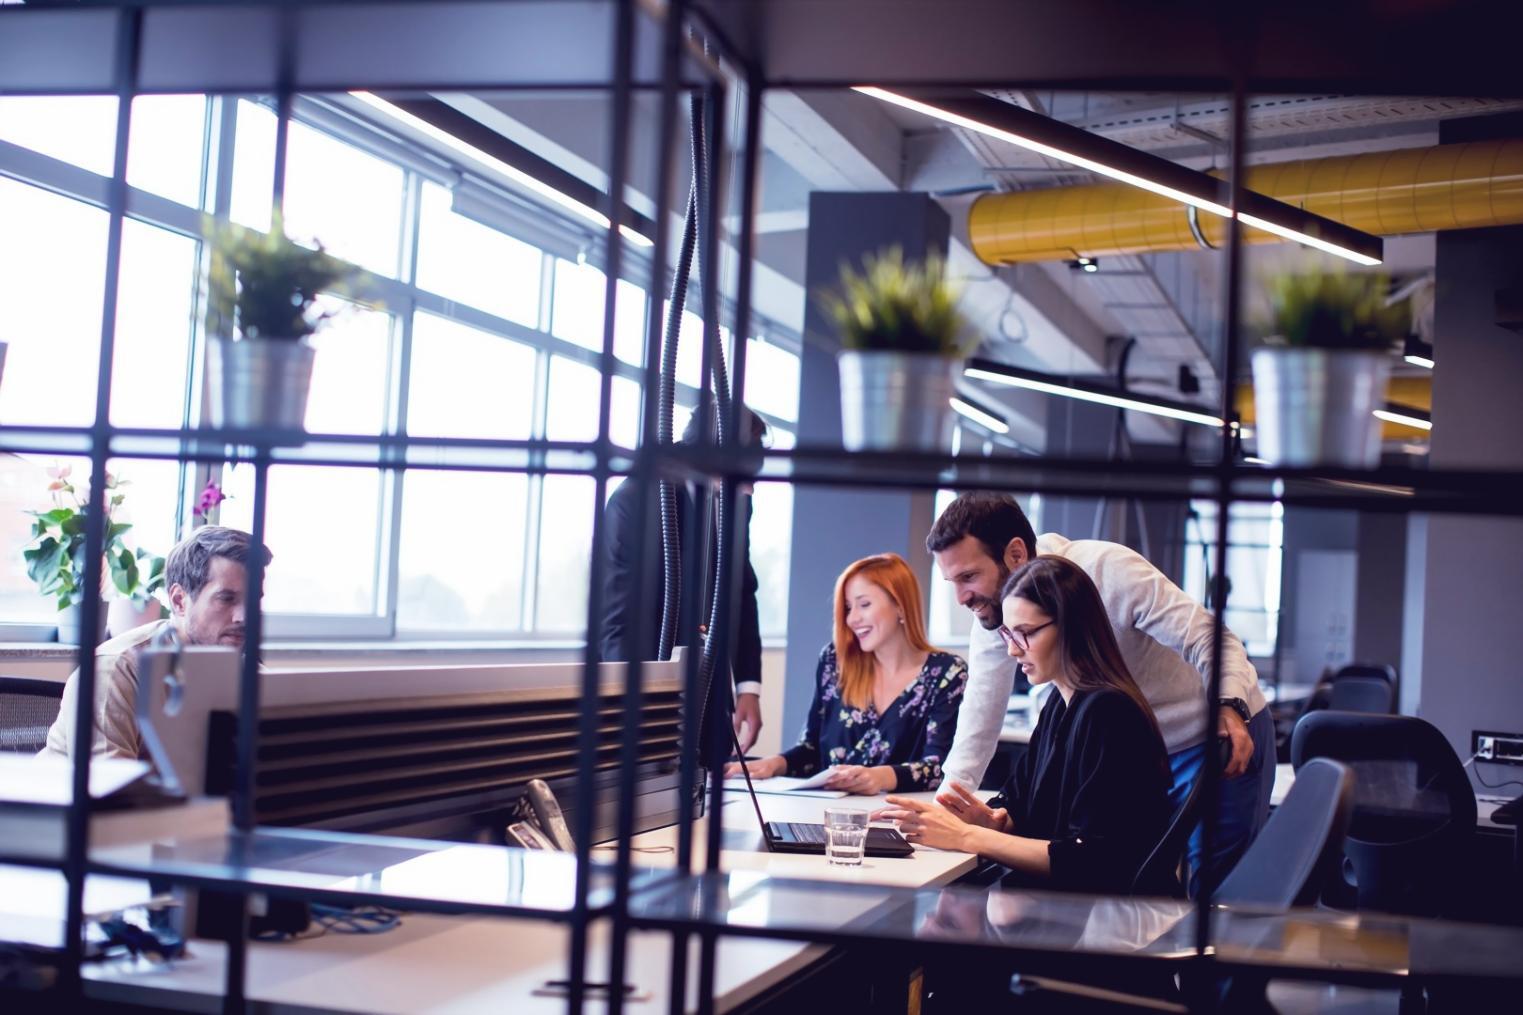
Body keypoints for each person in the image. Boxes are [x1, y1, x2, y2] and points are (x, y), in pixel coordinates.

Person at [924, 492, 1274, 892]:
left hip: (1208, 733)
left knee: (1215, 892)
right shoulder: (1003, 618)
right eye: (952, 583)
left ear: (1015, 553)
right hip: (1123, 745)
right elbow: (979, 717)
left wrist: (1230, 705)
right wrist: (947, 813)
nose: (962, 597)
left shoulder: (1109, 572)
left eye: (968, 577)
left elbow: (1211, 640)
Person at [880, 556, 1175, 894]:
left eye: (1026, 633)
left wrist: (969, 836)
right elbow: (1023, 806)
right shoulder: (1059, 704)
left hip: (1114, 920)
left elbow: (1093, 859)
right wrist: (994, 821)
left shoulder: (1110, 713)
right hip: (1075, 910)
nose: (1012, 649)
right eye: (1008, 633)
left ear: (1071, 627)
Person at [724, 553, 966, 794]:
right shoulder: (835, 661)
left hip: (901, 820)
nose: (852, 618)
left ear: (900, 606)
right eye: (848, 607)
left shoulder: (948, 674)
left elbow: (939, 769)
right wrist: (773, 764)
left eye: (864, 604)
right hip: (827, 815)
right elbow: (811, 750)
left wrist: (880, 778)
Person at [600, 407, 768, 753]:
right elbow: (618, 620)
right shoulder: (636, 501)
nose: (749, 491)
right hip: (649, 698)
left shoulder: (733, 499)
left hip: (710, 694)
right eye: (743, 478)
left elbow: (740, 589)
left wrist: (748, 686)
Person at [41, 526, 271, 760]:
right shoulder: (117, 670)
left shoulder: (248, 672)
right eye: (226, 598)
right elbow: (110, 790)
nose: (245, 616)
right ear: (179, 601)